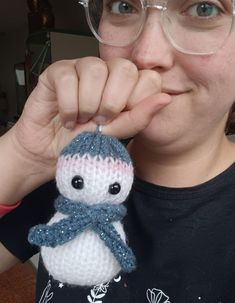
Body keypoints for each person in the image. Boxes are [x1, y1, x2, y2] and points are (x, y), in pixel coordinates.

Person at [1, 0, 235, 301]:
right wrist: (21, 156)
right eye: (124, 6)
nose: (145, 55)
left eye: (205, 8)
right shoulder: (73, 173)